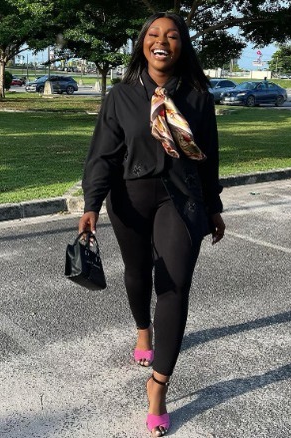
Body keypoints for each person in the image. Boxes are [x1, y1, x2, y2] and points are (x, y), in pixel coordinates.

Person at [78, 12, 226, 437]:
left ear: (183, 46)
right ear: (143, 43)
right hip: (130, 197)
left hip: (182, 199)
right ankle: (143, 329)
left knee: (175, 283)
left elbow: (209, 156)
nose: (163, 41)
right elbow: (103, 155)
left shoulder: (198, 96)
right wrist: (91, 203)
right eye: (154, 34)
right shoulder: (122, 96)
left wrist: (213, 206)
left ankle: (158, 385)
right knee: (138, 273)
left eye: (173, 36)